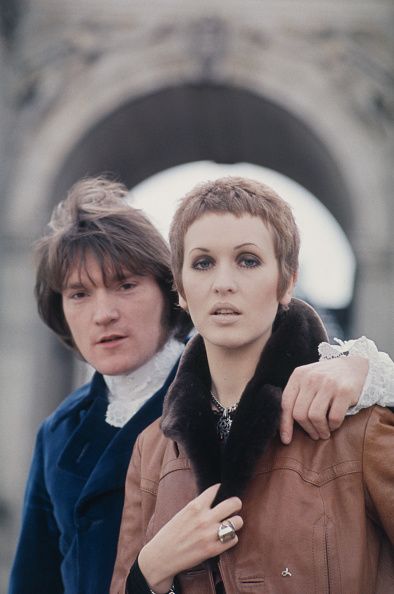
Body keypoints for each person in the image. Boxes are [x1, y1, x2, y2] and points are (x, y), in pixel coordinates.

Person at [111, 177, 394, 594]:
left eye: (248, 260)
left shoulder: (359, 426)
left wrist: (380, 374)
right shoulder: (150, 451)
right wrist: (148, 571)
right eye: (203, 263)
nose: (223, 283)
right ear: (182, 289)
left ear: (287, 281)